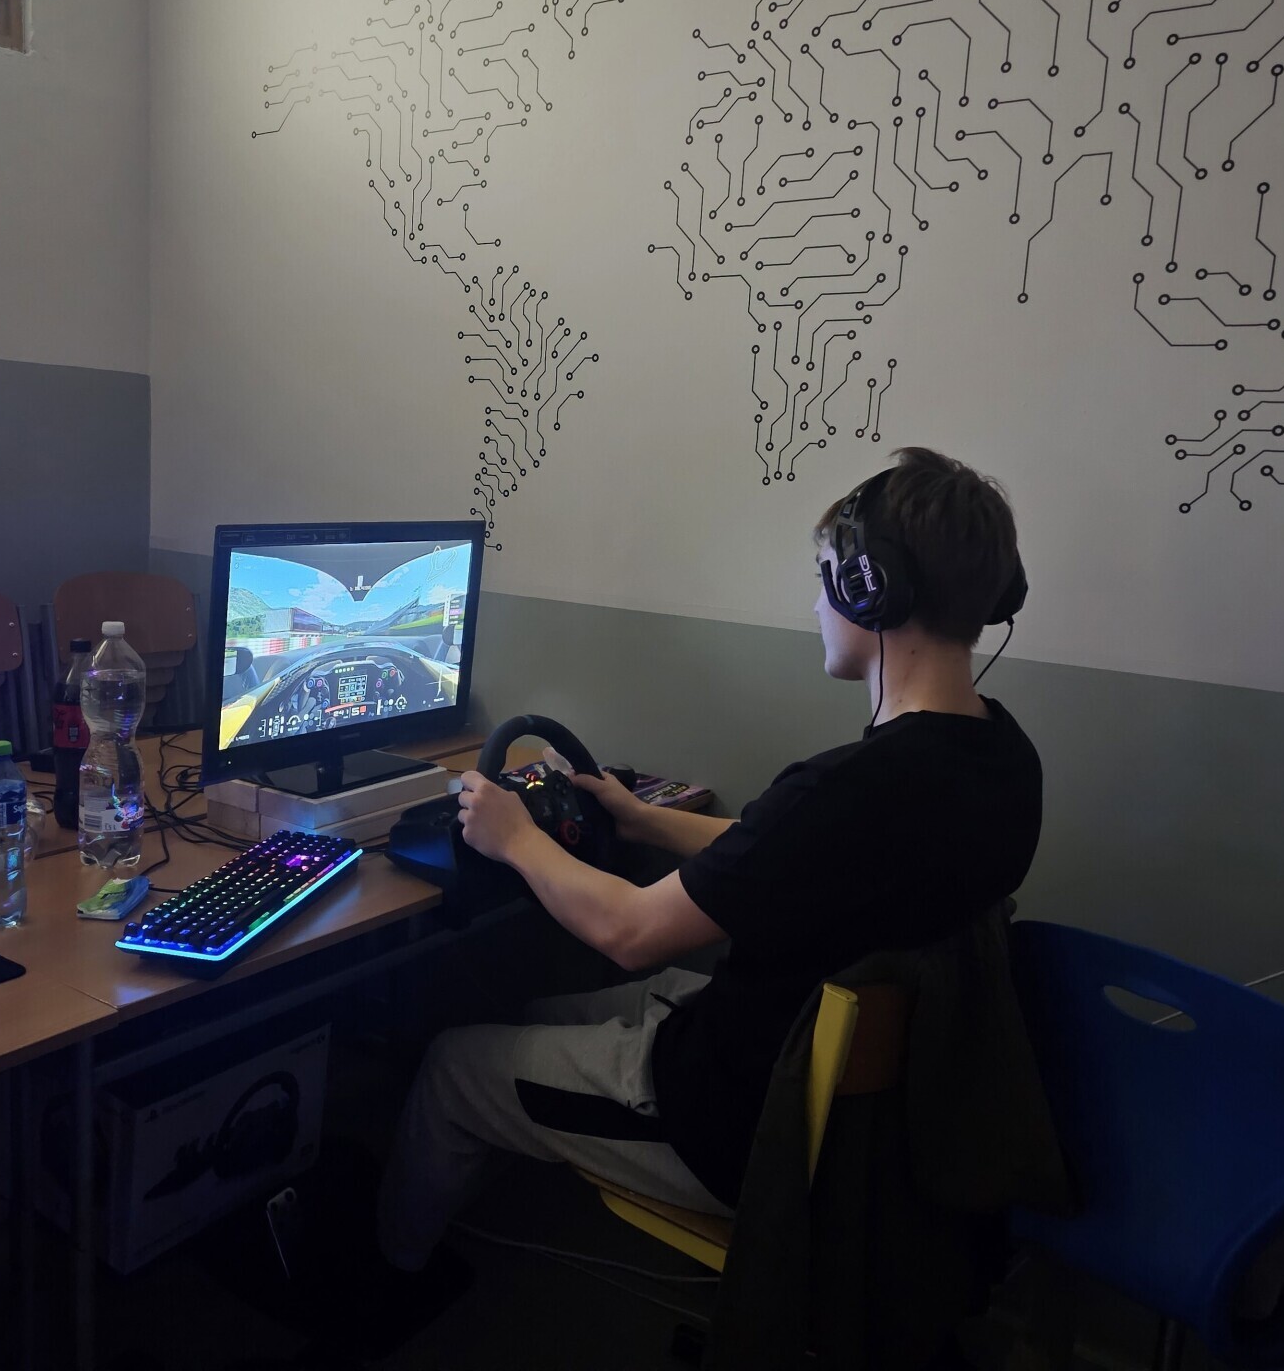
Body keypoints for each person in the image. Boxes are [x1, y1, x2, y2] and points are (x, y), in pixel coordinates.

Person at [377, 446, 1044, 1278]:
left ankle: (388, 1280)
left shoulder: (845, 790)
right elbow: (790, 855)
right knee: (539, 1008)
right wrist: (641, 820)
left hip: (737, 1123)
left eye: (827, 578)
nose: (817, 602)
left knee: (452, 1064)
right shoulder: (1002, 761)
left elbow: (627, 932)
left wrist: (515, 838)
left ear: (869, 588)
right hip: (847, 1106)